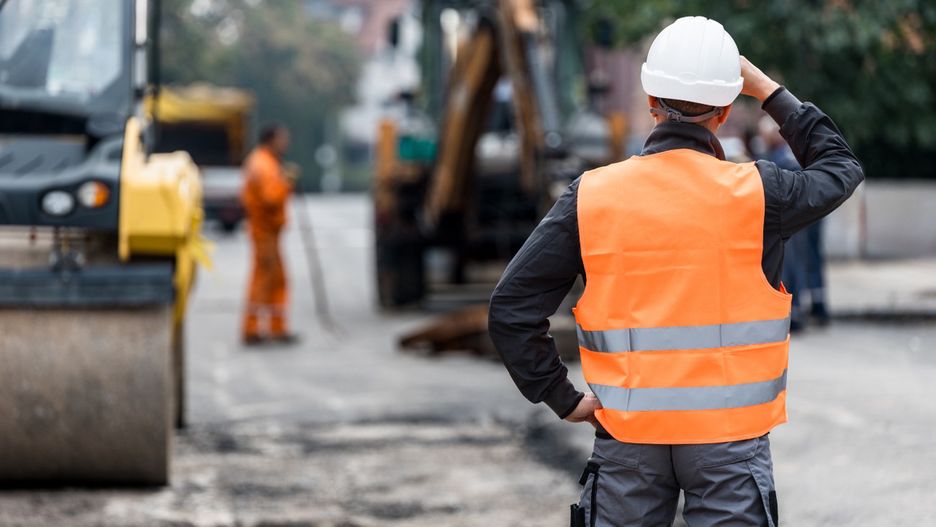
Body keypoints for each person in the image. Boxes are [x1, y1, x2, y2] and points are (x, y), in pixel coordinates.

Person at [488, 16, 863, 527]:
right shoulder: (761, 194)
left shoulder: (592, 196)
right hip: (729, 447)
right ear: (727, 110)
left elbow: (511, 308)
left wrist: (562, 397)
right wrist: (770, 92)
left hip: (626, 442)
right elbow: (840, 167)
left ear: (649, 102)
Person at [758, 116, 830, 331]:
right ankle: (814, 307)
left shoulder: (780, 159)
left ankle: (797, 312)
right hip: (807, 216)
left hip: (793, 217)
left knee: (793, 265)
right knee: (808, 261)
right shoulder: (791, 154)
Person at [241, 124, 298, 345]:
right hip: (264, 231)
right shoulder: (263, 164)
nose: (286, 143)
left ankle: (276, 328)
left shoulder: (265, 161)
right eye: (283, 139)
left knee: (277, 280)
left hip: (270, 232)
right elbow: (270, 197)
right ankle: (252, 329)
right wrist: (287, 182)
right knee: (263, 280)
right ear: (271, 139)